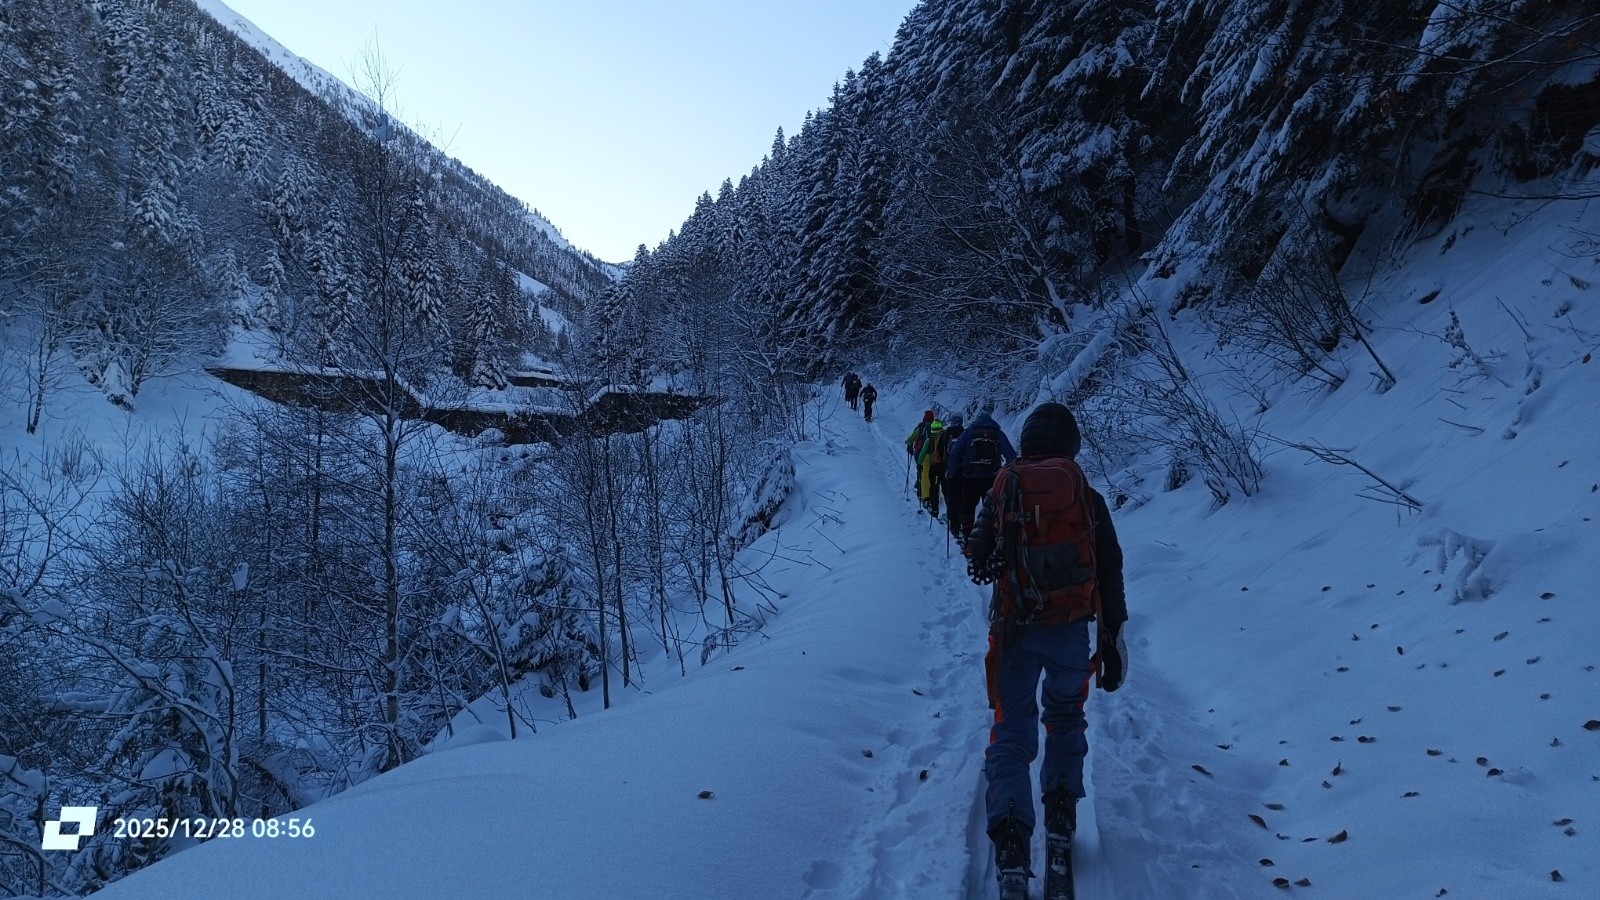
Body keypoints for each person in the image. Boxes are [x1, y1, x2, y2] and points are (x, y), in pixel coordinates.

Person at [964, 402, 1127, 900]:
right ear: (1070, 444)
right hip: (1071, 631)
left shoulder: (1003, 486)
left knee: (1012, 730)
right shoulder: (1086, 495)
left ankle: (1012, 838)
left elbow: (977, 555)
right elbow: (1109, 568)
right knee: (1066, 716)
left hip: (1014, 631)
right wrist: (1112, 638)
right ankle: (1060, 816)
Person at [943, 409, 1017, 546]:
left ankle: (967, 536)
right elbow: (1012, 456)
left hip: (970, 477)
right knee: (992, 508)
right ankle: (992, 537)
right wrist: (1004, 474)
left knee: (968, 507)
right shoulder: (997, 433)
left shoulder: (969, 432)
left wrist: (951, 472)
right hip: (992, 478)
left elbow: (955, 453)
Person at [904, 410, 945, 516]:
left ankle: (924, 496)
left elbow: (910, 439)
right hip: (937, 457)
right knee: (933, 477)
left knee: (924, 475)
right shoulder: (938, 429)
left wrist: (908, 443)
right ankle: (933, 497)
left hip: (923, 455)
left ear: (924, 418)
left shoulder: (920, 428)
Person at [936, 413, 966, 537]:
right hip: (965, 471)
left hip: (949, 470)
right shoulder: (966, 433)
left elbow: (939, 451)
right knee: (963, 497)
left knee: (951, 496)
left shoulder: (946, 433)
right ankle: (964, 523)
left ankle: (953, 524)